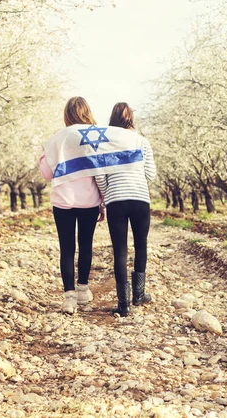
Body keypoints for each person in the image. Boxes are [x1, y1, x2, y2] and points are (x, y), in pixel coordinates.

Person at [39, 97, 105, 314]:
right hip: (89, 201)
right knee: (86, 245)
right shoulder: (95, 137)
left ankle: (69, 297)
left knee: (67, 247)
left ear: (66, 113)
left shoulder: (56, 139)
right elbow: (101, 172)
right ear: (87, 111)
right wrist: (103, 203)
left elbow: (47, 174)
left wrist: (42, 158)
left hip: (63, 201)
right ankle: (84, 291)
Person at [95, 102, 156, 317]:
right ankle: (138, 294)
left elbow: (100, 176)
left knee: (120, 250)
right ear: (131, 118)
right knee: (141, 246)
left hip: (116, 201)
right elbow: (151, 174)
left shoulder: (104, 144)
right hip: (140, 198)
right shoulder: (142, 141)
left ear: (112, 118)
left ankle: (123, 305)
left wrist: (107, 193)